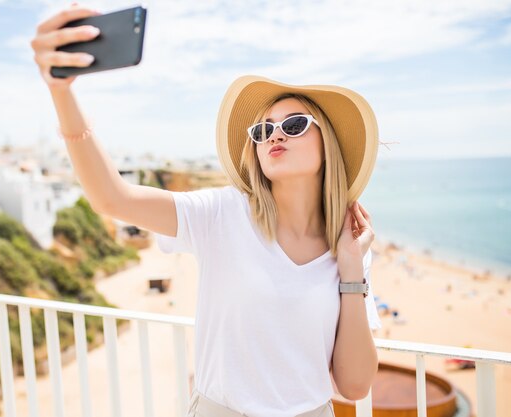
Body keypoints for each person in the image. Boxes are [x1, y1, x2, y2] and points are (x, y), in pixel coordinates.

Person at [31, 3, 383, 417]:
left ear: (329, 148)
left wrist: (350, 270)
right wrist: (62, 93)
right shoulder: (220, 213)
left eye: (293, 125)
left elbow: (355, 385)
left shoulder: (350, 246)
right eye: (263, 129)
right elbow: (113, 198)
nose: (273, 136)